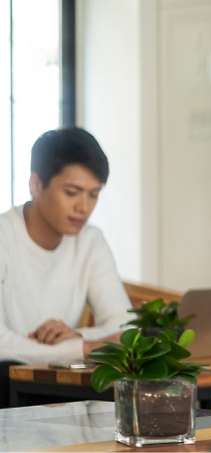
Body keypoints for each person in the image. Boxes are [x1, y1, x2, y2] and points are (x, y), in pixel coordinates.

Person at [0, 128, 134, 403]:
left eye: (93, 194)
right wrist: (84, 347)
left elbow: (124, 326)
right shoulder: (4, 237)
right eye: (72, 192)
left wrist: (78, 335)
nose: (83, 207)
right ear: (36, 185)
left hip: (61, 382)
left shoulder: (91, 241)